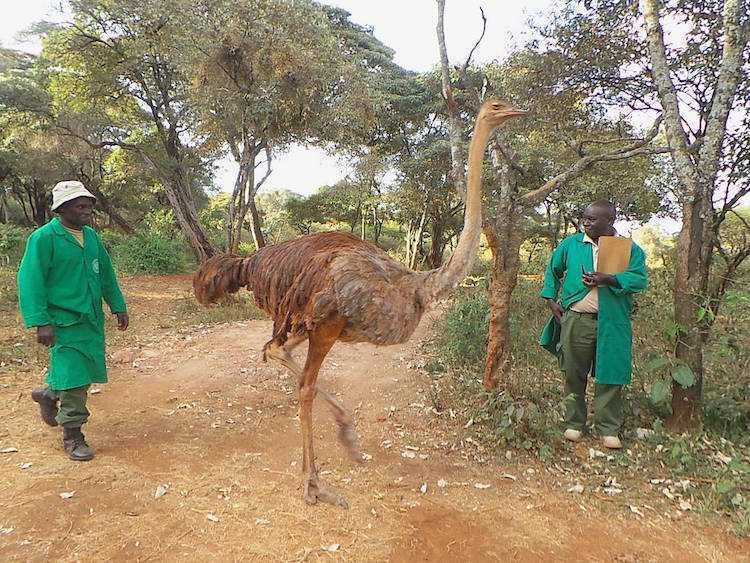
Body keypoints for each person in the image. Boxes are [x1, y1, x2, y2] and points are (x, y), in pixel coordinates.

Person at [17, 180, 129, 461]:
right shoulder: (44, 239)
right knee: (76, 379)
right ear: (62, 208)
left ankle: (49, 393)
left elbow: (106, 276)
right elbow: (30, 280)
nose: (87, 208)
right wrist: (40, 321)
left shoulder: (91, 238)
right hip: (62, 323)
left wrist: (118, 306)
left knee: (82, 372)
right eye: (79, 204)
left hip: (90, 322)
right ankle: (73, 436)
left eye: (89, 203)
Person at [538, 200, 647, 449]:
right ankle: (574, 423)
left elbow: (639, 279)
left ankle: (608, 428)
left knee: (611, 375)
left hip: (613, 322)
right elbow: (552, 270)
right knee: (573, 372)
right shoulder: (572, 244)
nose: (585, 222)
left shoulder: (626, 248)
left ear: (610, 221)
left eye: (592, 219)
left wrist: (609, 279)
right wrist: (550, 299)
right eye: (584, 218)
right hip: (577, 319)